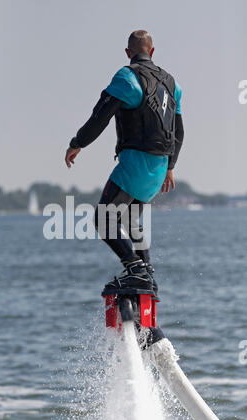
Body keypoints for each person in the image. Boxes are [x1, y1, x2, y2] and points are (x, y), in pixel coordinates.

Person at [65, 30, 184, 296]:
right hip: (160, 167)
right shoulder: (172, 84)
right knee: (130, 219)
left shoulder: (127, 77)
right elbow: (179, 131)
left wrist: (77, 143)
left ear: (128, 53)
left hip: (136, 164)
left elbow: (100, 116)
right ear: (152, 52)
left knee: (103, 218)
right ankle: (148, 277)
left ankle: (135, 269)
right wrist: (171, 166)